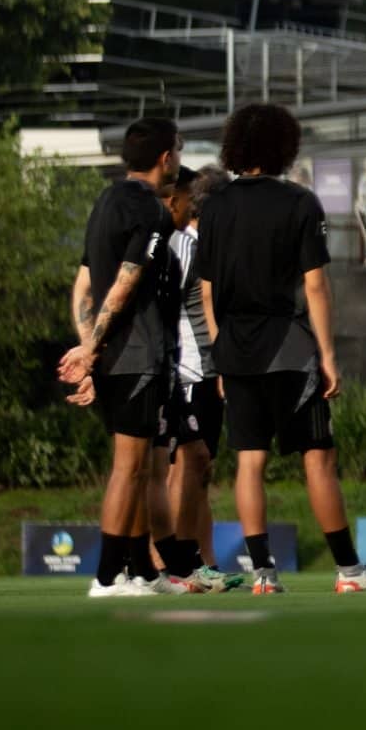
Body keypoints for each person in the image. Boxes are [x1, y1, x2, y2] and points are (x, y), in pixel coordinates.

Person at [198, 102, 366, 596]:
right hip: (288, 347)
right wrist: (327, 356)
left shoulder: (216, 205)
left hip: (235, 349)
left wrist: (222, 350)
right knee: (317, 458)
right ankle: (350, 572)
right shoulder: (299, 202)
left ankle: (264, 574)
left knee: (250, 461)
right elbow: (315, 286)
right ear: (284, 147)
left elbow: (206, 289)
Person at [58, 116, 185, 599]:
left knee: (144, 468)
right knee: (129, 469)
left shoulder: (105, 200)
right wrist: (92, 350)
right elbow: (127, 281)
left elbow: (83, 287)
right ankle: (107, 578)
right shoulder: (152, 212)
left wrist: (91, 349)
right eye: (177, 149)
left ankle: (144, 573)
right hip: (135, 356)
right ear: (164, 157)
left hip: (116, 355)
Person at [157, 164, 230, 590]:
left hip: (208, 371)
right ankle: (168, 566)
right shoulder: (183, 246)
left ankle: (205, 562)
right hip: (186, 370)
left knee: (201, 468)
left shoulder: (212, 247)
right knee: (180, 468)